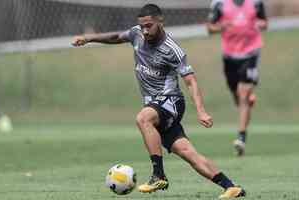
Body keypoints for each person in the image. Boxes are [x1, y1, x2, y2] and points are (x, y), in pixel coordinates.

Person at [72, 4, 245, 199]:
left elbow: (191, 81)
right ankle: (231, 187)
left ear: (160, 21)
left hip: (171, 101)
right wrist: (88, 39)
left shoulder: (172, 50)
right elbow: (116, 37)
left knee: (143, 119)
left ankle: (158, 175)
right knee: (188, 153)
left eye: (149, 25)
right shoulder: (136, 34)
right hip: (155, 105)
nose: (145, 30)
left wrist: (201, 110)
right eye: (142, 26)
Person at [207, 0, 268, 156]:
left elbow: (264, 22)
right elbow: (210, 27)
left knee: (243, 94)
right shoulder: (219, 4)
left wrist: (260, 24)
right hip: (230, 56)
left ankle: (241, 137)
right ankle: (246, 101)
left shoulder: (255, 3)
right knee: (237, 96)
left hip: (251, 53)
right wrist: (222, 26)